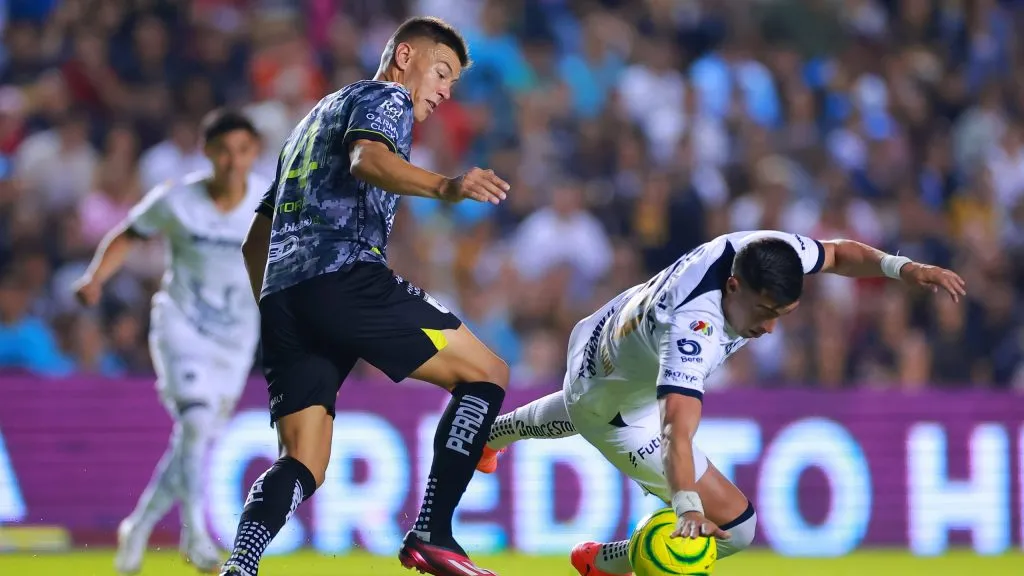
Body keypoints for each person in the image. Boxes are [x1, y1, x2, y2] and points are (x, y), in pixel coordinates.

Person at [475, 230, 966, 576]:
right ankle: (607, 562)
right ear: (733, 287)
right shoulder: (694, 327)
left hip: (601, 335)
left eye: (783, 314)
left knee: (583, 402)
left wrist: (904, 269)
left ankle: (490, 435)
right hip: (619, 409)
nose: (771, 327)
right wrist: (686, 507)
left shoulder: (762, 250)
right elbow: (675, 432)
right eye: (765, 312)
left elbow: (836, 254)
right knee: (739, 528)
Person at [221, 17, 512, 576]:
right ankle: (432, 532)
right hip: (345, 274)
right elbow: (368, 161)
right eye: (442, 72)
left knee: (303, 461)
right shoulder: (386, 97)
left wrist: (277, 307)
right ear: (404, 56)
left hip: (282, 295)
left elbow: (255, 241)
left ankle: (241, 565)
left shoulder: (307, 125)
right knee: (488, 373)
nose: (446, 91)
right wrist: (445, 186)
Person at [73, 110, 267, 574]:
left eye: (241, 151)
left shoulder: (269, 200)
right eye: (222, 151)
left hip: (237, 335)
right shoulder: (177, 200)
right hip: (180, 323)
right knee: (197, 422)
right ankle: (194, 534)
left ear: (254, 154)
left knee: (193, 438)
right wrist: (94, 277)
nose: (231, 161)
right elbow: (128, 236)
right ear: (207, 152)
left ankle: (138, 525)